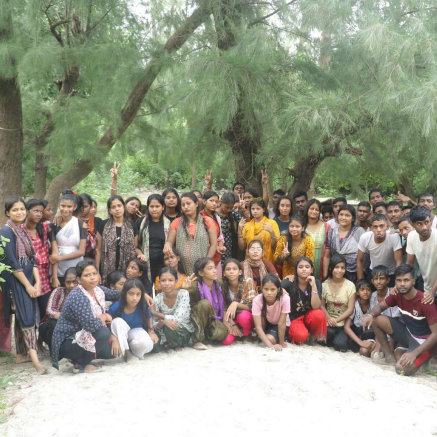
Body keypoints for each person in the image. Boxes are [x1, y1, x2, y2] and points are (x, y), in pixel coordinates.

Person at [362, 264, 437, 375]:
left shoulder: (425, 301)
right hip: (409, 334)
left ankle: (428, 358)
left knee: (401, 368)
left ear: (413, 281)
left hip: (426, 343)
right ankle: (389, 356)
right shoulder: (397, 295)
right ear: (395, 282)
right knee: (376, 319)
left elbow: (435, 334)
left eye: (406, 280)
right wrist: (370, 315)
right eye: (399, 280)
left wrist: (414, 353)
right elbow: (380, 307)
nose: (402, 284)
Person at [0, 197, 45, 373]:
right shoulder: (6, 232)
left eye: (22, 209)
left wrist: (38, 282)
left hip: (29, 279)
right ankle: (36, 362)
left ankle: (21, 355)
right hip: (17, 281)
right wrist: (27, 285)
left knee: (23, 318)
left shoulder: (22, 230)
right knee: (26, 318)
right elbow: (12, 263)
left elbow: (32, 259)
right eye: (15, 210)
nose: (19, 212)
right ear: (7, 213)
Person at [51, 259, 120, 372]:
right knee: (103, 333)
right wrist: (104, 317)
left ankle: (81, 358)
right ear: (79, 279)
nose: (92, 278)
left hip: (82, 336)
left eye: (94, 274)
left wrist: (141, 293)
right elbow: (91, 326)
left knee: (111, 353)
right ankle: (81, 364)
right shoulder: (78, 295)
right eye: (87, 275)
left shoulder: (97, 290)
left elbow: (116, 294)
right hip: (68, 341)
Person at [163, 192, 217, 275]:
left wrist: (206, 263)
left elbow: (213, 244)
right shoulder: (176, 223)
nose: (186, 207)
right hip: (182, 268)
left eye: (188, 203)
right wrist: (167, 245)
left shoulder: (207, 221)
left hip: (203, 268)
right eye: (183, 205)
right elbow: (170, 241)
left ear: (196, 204)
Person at [108, 278, 157, 359]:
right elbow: (108, 324)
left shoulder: (143, 305)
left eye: (138, 294)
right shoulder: (116, 306)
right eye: (131, 294)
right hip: (119, 334)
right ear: (125, 294)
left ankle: (133, 351)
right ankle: (127, 353)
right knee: (117, 322)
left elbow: (149, 317)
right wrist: (113, 338)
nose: (135, 298)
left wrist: (151, 331)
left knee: (147, 344)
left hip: (135, 331)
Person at [186, 258, 228, 350]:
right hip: (196, 319)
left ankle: (206, 335)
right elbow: (182, 302)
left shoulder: (219, 283)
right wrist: (184, 289)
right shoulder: (194, 286)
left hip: (212, 317)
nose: (214, 271)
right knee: (205, 304)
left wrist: (226, 321)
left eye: (214, 267)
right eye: (210, 268)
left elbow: (224, 303)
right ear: (201, 273)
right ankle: (197, 340)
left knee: (222, 333)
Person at [282, 257, 326, 344]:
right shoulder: (290, 281)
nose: (304, 269)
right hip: (294, 318)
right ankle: (300, 334)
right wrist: (282, 291)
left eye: (307, 267)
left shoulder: (316, 282)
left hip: (309, 316)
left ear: (312, 270)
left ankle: (313, 336)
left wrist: (313, 286)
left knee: (319, 314)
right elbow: (276, 288)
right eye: (300, 267)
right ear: (296, 269)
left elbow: (316, 306)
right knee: (300, 336)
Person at [22, 198, 53, 320]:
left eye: (41, 211)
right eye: (35, 211)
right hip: (28, 277)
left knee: (44, 312)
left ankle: (41, 338)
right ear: (27, 211)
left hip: (44, 278)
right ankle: (28, 339)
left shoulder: (45, 227)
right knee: (28, 314)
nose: (39, 214)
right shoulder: (20, 231)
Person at [96, 195, 137, 284]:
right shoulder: (103, 225)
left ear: (124, 207)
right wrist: (96, 271)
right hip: (106, 269)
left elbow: (135, 248)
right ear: (110, 210)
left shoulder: (132, 226)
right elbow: (98, 249)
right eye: (113, 207)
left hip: (126, 268)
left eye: (119, 206)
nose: (117, 209)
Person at [50, 190, 87, 287]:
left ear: (74, 207)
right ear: (59, 206)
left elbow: (81, 251)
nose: (65, 209)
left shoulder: (81, 225)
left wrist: (60, 258)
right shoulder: (53, 225)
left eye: (69, 206)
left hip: (76, 266)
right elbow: (55, 251)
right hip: (58, 268)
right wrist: (54, 277)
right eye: (63, 206)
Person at [152, 267, 194, 349]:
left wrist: (157, 314)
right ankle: (168, 343)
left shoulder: (183, 294)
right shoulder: (157, 299)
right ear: (159, 283)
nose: (167, 283)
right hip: (164, 330)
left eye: (170, 280)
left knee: (170, 329)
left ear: (176, 282)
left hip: (183, 329)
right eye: (163, 280)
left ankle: (176, 344)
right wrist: (163, 322)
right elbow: (154, 323)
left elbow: (179, 318)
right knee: (154, 346)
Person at [321, 254, 356, 352]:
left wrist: (336, 320)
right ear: (331, 268)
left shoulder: (350, 285)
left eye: (342, 268)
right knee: (326, 337)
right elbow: (321, 305)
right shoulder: (324, 285)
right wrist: (329, 318)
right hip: (328, 323)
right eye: (336, 267)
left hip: (342, 324)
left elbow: (350, 309)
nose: (339, 270)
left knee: (341, 345)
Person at [39, 267, 78, 351]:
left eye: (74, 282)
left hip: (73, 327)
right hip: (53, 326)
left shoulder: (83, 294)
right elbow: (49, 310)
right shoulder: (58, 291)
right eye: (68, 282)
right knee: (52, 324)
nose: (71, 285)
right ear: (64, 282)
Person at [357, 214, 402, 285]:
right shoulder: (365, 237)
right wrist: (360, 281)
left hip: (391, 273)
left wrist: (398, 280)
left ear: (387, 227)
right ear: (371, 228)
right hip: (373, 273)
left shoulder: (394, 237)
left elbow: (398, 261)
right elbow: (359, 260)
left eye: (381, 226)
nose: (378, 230)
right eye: (375, 227)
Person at [324, 204, 365, 282]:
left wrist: (360, 279)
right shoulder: (331, 233)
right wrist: (325, 275)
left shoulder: (359, 232)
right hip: (335, 273)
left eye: (347, 215)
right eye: (341, 215)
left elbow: (362, 258)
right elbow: (327, 256)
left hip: (353, 274)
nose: (343, 218)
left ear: (352, 218)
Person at [136, 194, 170, 283]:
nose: (154, 209)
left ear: (163, 207)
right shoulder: (141, 222)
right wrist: (140, 254)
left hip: (164, 263)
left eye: (157, 206)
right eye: (151, 206)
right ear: (148, 207)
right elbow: (135, 246)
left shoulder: (169, 223)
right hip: (145, 263)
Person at [221, 258, 256, 345]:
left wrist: (236, 304)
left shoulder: (248, 281)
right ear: (224, 273)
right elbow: (223, 308)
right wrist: (232, 324)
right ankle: (237, 333)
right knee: (226, 340)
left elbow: (252, 306)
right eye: (228, 269)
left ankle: (247, 334)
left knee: (243, 317)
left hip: (246, 316)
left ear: (240, 272)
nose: (231, 271)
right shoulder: (222, 285)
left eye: (234, 269)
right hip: (230, 318)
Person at [406, 206, 437, 300]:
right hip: (427, 287)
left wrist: (432, 292)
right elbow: (409, 263)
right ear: (412, 224)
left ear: (430, 221)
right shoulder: (411, 236)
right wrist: (403, 282)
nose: (424, 228)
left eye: (426, 222)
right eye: (419, 224)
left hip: (432, 291)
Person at [252, 274, 290, 351]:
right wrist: (271, 346)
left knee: (269, 339)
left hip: (280, 324)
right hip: (267, 322)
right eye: (266, 289)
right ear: (262, 289)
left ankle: (273, 336)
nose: (269, 293)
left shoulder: (285, 298)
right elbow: (258, 326)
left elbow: (282, 323)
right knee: (266, 339)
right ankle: (264, 336)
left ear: (278, 289)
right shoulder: (257, 300)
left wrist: (281, 343)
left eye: (273, 289)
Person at [344, 280, 375, 356]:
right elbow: (346, 327)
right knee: (363, 351)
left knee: (369, 348)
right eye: (362, 290)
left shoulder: (373, 303)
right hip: (357, 334)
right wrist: (360, 342)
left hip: (370, 333)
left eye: (368, 289)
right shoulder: (354, 305)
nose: (365, 292)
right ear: (357, 292)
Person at [303, 199, 330, 280]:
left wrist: (325, 273)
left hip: (321, 264)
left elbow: (328, 251)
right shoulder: (301, 226)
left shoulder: (326, 227)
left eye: (317, 210)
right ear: (307, 209)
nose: (314, 211)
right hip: (303, 264)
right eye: (311, 209)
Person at [201, 191, 226, 273]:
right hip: (203, 252)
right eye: (211, 201)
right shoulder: (200, 217)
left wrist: (221, 245)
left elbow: (220, 235)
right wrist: (215, 247)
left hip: (216, 256)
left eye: (216, 201)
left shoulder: (216, 216)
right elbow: (201, 238)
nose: (214, 204)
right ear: (204, 201)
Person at [217, 192, 239, 266]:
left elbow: (243, 221)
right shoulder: (214, 214)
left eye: (231, 207)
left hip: (229, 248)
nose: (229, 210)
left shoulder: (232, 213)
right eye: (226, 207)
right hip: (217, 247)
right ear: (221, 202)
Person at [77, 193, 102, 259]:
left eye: (85, 206)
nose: (82, 209)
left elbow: (98, 249)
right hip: (74, 259)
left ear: (90, 206)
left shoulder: (98, 221)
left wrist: (96, 267)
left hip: (92, 260)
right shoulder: (72, 221)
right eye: (80, 206)